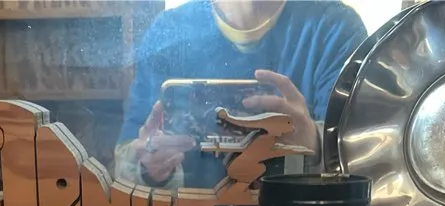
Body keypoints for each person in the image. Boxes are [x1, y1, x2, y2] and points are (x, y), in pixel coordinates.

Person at [115, 0, 368, 188]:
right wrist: (149, 167)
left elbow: (361, 159)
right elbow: (128, 158)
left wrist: (314, 140)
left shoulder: (337, 29)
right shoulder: (169, 30)